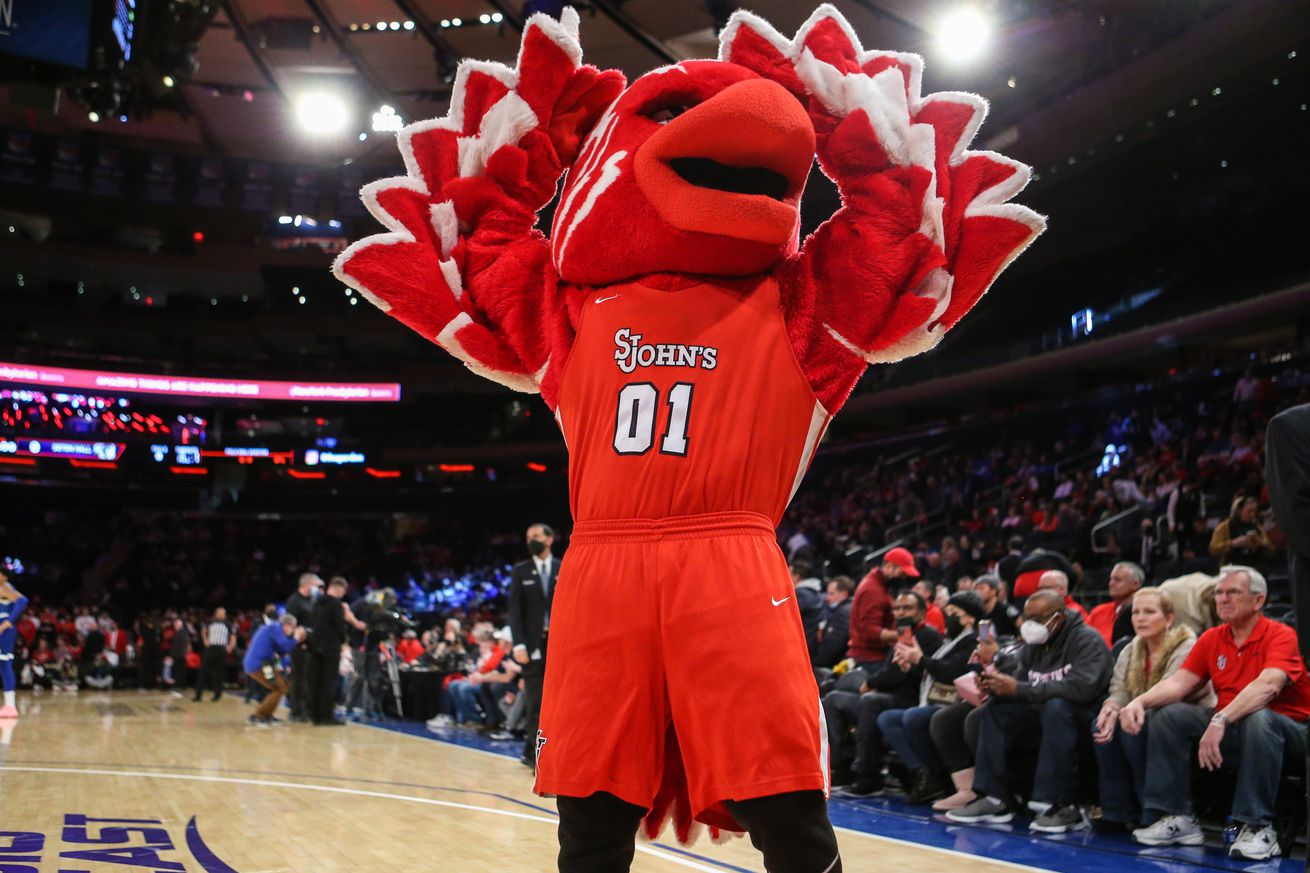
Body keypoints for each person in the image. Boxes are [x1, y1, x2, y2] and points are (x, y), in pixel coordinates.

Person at [1122, 566, 1310, 861]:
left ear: (1258, 601)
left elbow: (1269, 686)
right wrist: (1138, 702)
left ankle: (1257, 826)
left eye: (1232, 592)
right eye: (1219, 592)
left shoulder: (1282, 635)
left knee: (1259, 718)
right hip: (1234, 730)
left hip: (1292, 733)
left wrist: (1221, 718)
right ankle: (1178, 818)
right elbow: (1180, 682)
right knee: (1169, 715)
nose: (1222, 598)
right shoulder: (1212, 638)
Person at [947, 589, 1113, 831]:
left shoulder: (1087, 640)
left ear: (1059, 617)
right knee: (997, 707)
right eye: (1027, 617)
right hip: (1045, 715)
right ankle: (994, 798)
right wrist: (998, 686)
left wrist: (1018, 689)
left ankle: (1065, 806)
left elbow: (1081, 689)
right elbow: (1021, 681)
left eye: (1037, 618)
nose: (1029, 625)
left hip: (1085, 718)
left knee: (1057, 706)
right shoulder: (1034, 644)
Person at [1091, 587, 1212, 830]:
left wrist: (1130, 709)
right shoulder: (1131, 647)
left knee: (1136, 725)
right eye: (1136, 612)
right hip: (1141, 712)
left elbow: (1174, 690)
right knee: (1101, 724)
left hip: (1184, 718)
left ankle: (1152, 810)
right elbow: (1119, 688)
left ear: (1168, 619)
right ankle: (1117, 810)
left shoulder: (1187, 646)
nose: (1140, 618)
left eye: (1149, 612)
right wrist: (1111, 707)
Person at [827, 592, 942, 796]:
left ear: (922, 612)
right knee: (834, 699)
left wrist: (872, 683)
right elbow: (891, 671)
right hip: (884, 695)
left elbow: (909, 674)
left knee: (870, 702)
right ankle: (838, 767)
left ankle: (868, 776)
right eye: (897, 609)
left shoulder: (929, 637)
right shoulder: (899, 634)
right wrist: (874, 682)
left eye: (907, 608)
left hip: (909, 700)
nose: (900, 612)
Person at [877, 591, 985, 804]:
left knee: (914, 717)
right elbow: (932, 675)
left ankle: (943, 776)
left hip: (957, 703)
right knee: (888, 718)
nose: (948, 616)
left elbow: (951, 672)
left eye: (954, 613)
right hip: (934, 700)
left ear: (970, 618)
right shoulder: (949, 641)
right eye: (948, 611)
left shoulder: (973, 641)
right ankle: (923, 774)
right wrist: (911, 666)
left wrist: (920, 659)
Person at [508, 522, 560, 767]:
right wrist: (518, 644)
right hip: (531, 646)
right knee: (535, 702)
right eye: (528, 537)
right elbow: (514, 611)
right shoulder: (520, 571)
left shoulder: (564, 567)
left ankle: (558, 752)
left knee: (560, 703)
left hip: (559, 645)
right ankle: (533, 753)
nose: (532, 541)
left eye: (536, 536)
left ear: (549, 539)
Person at [847, 548, 917, 672]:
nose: (904, 577)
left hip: (873, 656)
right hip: (870, 660)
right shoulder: (873, 591)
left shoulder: (880, 583)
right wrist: (902, 635)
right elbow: (870, 630)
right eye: (902, 573)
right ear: (889, 567)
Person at [243, 614, 304, 725]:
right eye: (293, 628)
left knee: (281, 687)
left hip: (262, 665)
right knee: (280, 688)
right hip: (259, 665)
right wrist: (296, 638)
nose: (293, 631)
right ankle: (258, 716)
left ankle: (266, 715)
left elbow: (281, 652)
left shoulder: (272, 630)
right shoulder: (275, 628)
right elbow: (285, 646)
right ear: (287, 625)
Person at [308, 577, 349, 726]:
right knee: (329, 682)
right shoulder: (336, 604)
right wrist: (344, 640)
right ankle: (326, 716)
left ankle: (314, 714)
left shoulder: (316, 603)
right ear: (339, 589)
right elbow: (340, 627)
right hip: (330, 648)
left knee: (316, 680)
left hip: (315, 646)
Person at [285, 573, 322, 722]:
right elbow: (289, 625)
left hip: (311, 645)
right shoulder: (294, 601)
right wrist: (299, 638)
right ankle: (296, 710)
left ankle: (307, 709)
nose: (318, 588)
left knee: (308, 678)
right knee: (298, 678)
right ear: (307, 585)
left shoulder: (311, 601)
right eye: (316, 585)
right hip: (299, 645)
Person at [1087, 562, 1143, 646]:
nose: (1111, 584)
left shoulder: (1144, 613)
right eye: (1111, 579)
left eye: (1117, 580)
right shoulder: (1098, 611)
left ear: (1135, 584)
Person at [1209, 496, 1273, 568]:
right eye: (1249, 511)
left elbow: (1269, 545)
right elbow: (1213, 549)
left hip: (1255, 564)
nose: (1252, 514)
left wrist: (1260, 542)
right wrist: (1233, 543)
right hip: (1233, 566)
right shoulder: (1224, 527)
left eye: (1254, 511)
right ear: (1239, 511)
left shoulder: (1256, 526)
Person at [0, 571, 28, 718]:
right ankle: (9, 705)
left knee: (4, 664)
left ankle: (10, 705)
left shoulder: (4, 587)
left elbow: (23, 601)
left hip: (4, 630)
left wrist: (8, 622)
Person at [193, 607, 235, 702]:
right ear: (216, 614)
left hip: (221, 649)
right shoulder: (210, 622)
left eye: (223, 613)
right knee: (203, 672)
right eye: (220, 613)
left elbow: (233, 637)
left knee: (219, 673)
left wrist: (230, 647)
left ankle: (217, 695)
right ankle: (198, 695)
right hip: (211, 648)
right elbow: (203, 632)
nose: (221, 614)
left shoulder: (228, 624)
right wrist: (205, 641)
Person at [811, 576, 853, 669]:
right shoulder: (845, 610)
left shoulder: (842, 614)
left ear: (844, 595)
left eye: (831, 594)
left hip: (833, 665)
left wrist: (813, 663)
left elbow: (832, 646)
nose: (827, 598)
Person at [790, 556, 825, 657]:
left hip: (803, 645)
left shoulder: (801, 594)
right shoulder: (813, 591)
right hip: (810, 642)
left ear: (796, 577)